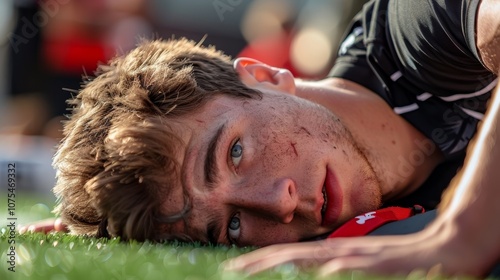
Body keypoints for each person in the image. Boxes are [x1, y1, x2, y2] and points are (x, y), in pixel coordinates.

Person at [22, 0, 499, 277]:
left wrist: (464, 234)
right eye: (230, 226)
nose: (277, 205)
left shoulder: (418, 31)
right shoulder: (324, 226)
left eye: (234, 153)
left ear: (263, 76)